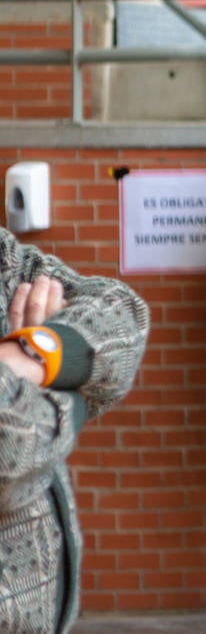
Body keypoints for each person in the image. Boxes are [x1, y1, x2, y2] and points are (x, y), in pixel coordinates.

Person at [0, 229, 150, 630]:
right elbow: (10, 445)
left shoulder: (3, 256)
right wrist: (75, 398)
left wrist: (32, 351)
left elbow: (125, 314)